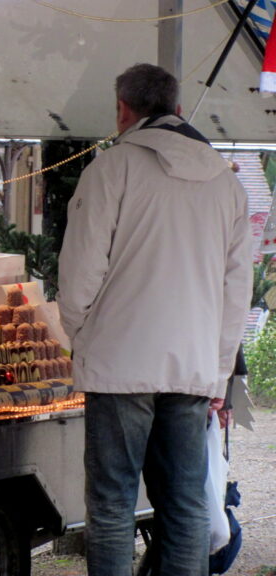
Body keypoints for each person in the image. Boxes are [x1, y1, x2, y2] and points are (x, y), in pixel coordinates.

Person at [57, 63, 252, 576]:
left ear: (123, 110)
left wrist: (82, 336)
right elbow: (237, 290)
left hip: (119, 362)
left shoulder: (111, 168)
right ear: (179, 110)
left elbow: (79, 272)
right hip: (191, 365)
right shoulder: (226, 184)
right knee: (186, 501)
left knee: (113, 502)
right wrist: (217, 368)